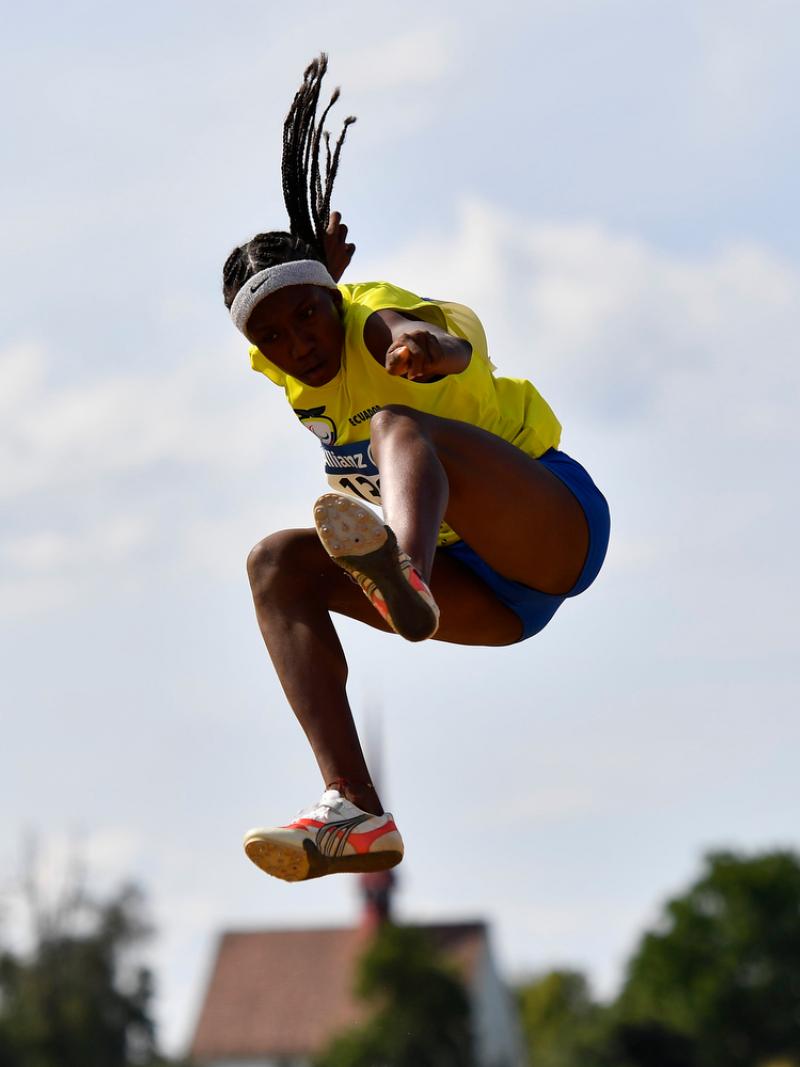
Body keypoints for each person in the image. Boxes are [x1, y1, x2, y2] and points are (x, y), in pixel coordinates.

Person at [223, 56, 610, 883]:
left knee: (400, 423)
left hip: (551, 525)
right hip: (487, 597)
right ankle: (354, 809)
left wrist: (424, 348)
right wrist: (311, 270)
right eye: (276, 338)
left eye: (309, 319)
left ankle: (403, 566)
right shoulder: (288, 358)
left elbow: (438, 332)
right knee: (274, 565)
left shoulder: (372, 321)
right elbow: (282, 309)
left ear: (337, 298)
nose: (302, 346)